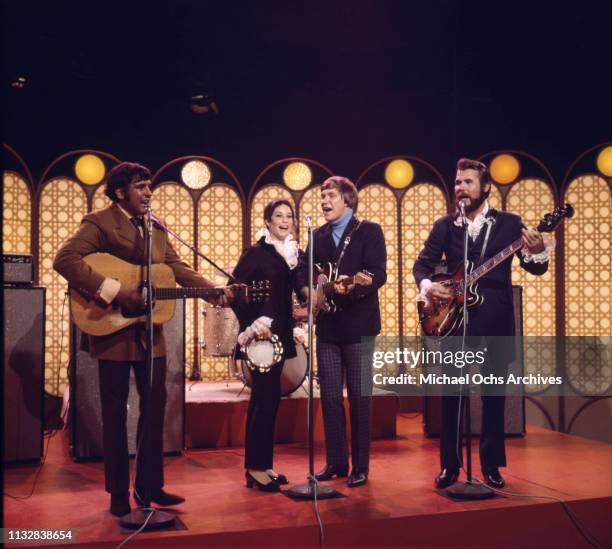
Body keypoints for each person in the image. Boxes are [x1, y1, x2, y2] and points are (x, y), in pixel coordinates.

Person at [54, 162, 229, 516]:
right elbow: (65, 259)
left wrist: (213, 291)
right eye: (141, 187)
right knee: (115, 414)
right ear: (121, 192)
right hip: (112, 331)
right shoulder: (99, 221)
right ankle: (118, 493)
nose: (149, 193)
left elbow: (178, 268)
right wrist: (116, 291)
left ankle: (151, 486)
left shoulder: (157, 226)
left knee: (155, 410)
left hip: (151, 335)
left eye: (150, 186)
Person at [413, 158, 550, 489]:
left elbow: (536, 269)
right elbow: (422, 265)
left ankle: (490, 466)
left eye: (468, 182)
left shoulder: (509, 223)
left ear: (485, 187)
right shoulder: (445, 226)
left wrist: (537, 252)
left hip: (495, 321)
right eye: (458, 182)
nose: (460, 187)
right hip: (454, 323)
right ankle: (449, 465)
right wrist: (430, 287)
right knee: (452, 396)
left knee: (493, 396)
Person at [296, 176, 387, 488]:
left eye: (330, 195)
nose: (324, 201)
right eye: (322, 196)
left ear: (347, 199)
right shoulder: (318, 235)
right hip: (329, 328)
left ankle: (360, 467)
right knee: (331, 398)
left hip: (360, 326)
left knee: (361, 398)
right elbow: (301, 270)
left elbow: (379, 272)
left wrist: (355, 286)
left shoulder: (369, 231)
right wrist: (309, 290)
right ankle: (336, 461)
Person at [230, 199, 303, 492]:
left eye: (289, 216)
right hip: (259, 338)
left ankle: (262, 465)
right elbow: (234, 292)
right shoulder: (256, 253)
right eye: (278, 216)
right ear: (268, 221)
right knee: (264, 400)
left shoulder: (293, 254)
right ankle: (255, 468)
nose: (284, 220)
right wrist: (252, 325)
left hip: (280, 337)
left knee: (268, 400)